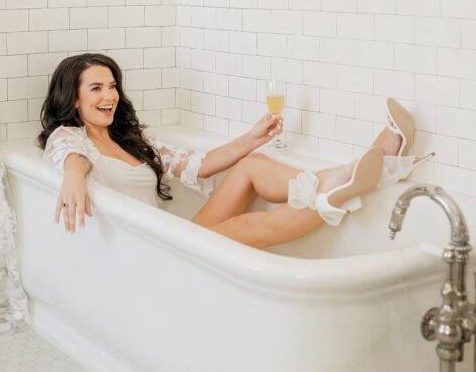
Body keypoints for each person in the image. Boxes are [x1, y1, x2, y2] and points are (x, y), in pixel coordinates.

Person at [38, 53, 413, 250]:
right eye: (96, 89)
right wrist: (73, 176)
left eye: (112, 86)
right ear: (73, 98)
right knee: (247, 225)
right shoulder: (69, 140)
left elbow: (198, 165)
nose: (110, 96)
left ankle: (343, 176)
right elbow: (70, 154)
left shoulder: (131, 139)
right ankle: (355, 179)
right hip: (150, 253)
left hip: (171, 236)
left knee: (251, 165)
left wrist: (253, 137)